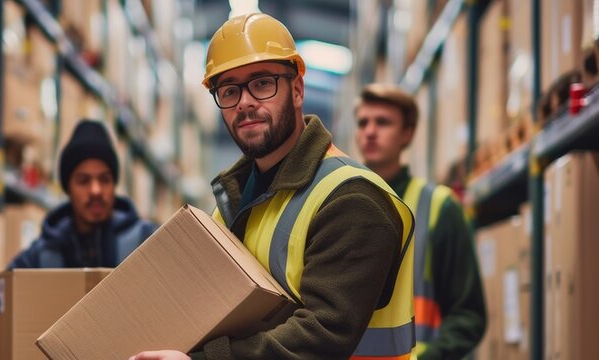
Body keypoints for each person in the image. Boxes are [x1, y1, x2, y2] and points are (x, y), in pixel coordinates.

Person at [131, 13, 416, 360]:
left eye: (262, 83)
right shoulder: (229, 207)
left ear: (296, 90)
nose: (245, 102)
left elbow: (323, 334)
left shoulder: (352, 198)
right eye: (229, 90)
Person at [354, 83, 487, 359]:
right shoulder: (340, 206)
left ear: (407, 133)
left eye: (383, 122)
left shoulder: (440, 207)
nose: (370, 131)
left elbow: (468, 315)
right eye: (363, 122)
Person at [8, 120, 157, 268]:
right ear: (68, 188)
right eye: (83, 181)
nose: (95, 190)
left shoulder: (147, 242)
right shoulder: (40, 256)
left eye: (104, 179)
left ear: (114, 184)